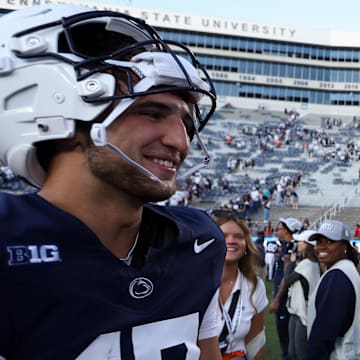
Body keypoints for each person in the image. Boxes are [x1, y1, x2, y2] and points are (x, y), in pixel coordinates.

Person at [0, 5, 226, 360]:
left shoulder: (199, 242)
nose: (181, 143)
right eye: (151, 113)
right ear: (61, 118)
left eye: (186, 123)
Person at [212, 210, 268, 360]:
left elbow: (255, 343)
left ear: (246, 245)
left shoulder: (255, 286)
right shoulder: (193, 283)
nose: (231, 241)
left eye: (238, 237)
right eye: (224, 236)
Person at [305, 220, 360, 360]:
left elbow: (323, 336)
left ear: (345, 246)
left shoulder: (337, 276)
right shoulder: (346, 270)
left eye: (329, 241)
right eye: (319, 242)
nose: (321, 247)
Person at [270, 230, 320, 360]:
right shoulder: (310, 263)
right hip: (298, 312)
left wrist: (290, 262)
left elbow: (287, 279)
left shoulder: (308, 265)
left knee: (299, 353)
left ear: (308, 244)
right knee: (293, 352)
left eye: (300, 241)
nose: (297, 244)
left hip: (303, 315)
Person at [269, 217, 304, 360]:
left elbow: (286, 277)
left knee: (287, 343)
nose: (277, 231)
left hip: (285, 299)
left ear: (288, 231)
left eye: (280, 228)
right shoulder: (286, 246)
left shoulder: (291, 249)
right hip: (284, 297)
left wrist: (277, 299)